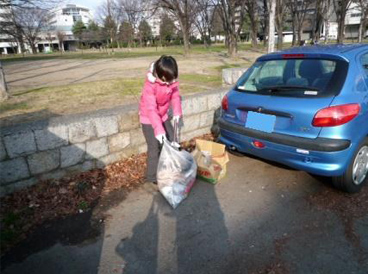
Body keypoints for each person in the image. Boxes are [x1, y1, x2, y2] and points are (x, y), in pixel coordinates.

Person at [139, 55, 182, 185]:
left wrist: (177, 112)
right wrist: (158, 130)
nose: (170, 83)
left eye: (172, 79)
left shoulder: (170, 80)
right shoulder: (149, 86)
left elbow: (175, 96)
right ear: (160, 75)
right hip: (148, 118)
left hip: (162, 115)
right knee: (154, 148)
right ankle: (152, 176)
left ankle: (168, 168)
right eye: (167, 80)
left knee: (171, 141)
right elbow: (151, 109)